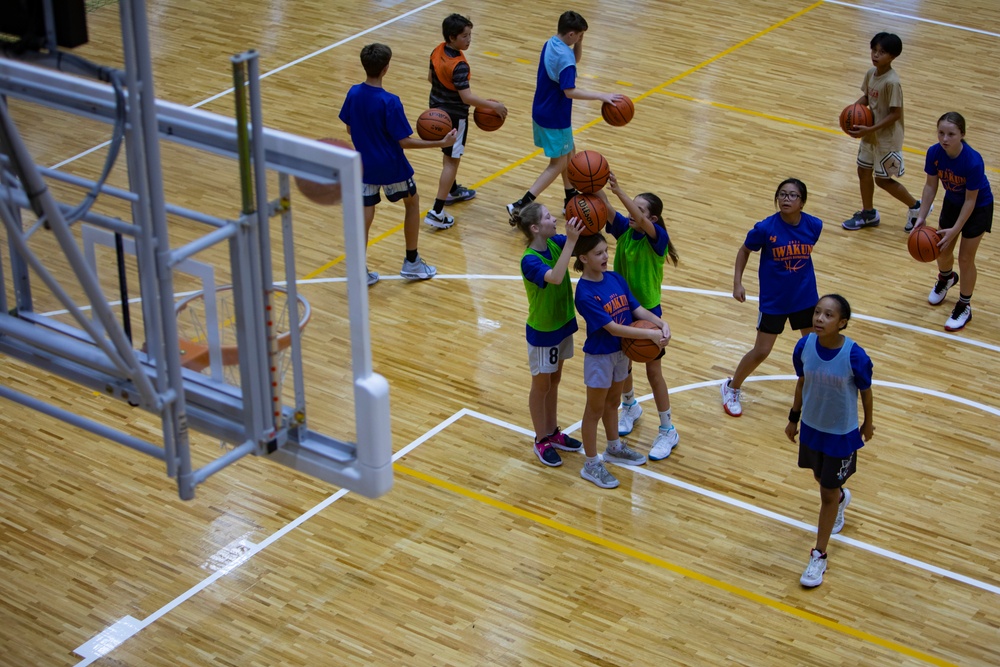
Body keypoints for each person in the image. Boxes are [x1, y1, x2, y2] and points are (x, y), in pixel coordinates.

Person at [338, 43, 457, 285]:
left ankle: (359, 270)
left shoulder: (353, 93)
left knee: (365, 215)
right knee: (412, 204)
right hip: (391, 165)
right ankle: (412, 262)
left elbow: (350, 128)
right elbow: (403, 141)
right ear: (386, 68)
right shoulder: (390, 101)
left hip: (364, 166)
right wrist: (441, 142)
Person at [785, 294, 874, 588]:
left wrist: (868, 423)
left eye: (828, 315)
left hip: (841, 434)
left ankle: (819, 556)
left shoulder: (855, 356)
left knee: (825, 492)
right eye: (817, 313)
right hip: (812, 427)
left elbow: (866, 391)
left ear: (842, 323)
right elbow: (802, 382)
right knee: (821, 480)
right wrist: (793, 417)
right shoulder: (804, 346)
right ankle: (840, 498)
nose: (820, 319)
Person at [505, 11, 624, 224]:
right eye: (578, 36)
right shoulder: (565, 58)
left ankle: (570, 198)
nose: (579, 39)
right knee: (558, 164)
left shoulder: (551, 43)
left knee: (570, 154)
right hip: (555, 117)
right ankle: (521, 204)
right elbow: (569, 91)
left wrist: (580, 41)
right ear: (571, 34)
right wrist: (601, 96)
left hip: (542, 109)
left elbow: (573, 59)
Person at [593, 174, 681, 460]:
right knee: (625, 366)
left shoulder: (658, 239)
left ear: (652, 219)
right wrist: (594, 186)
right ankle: (630, 405)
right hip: (621, 309)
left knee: (654, 372)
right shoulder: (625, 230)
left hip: (648, 313)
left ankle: (668, 428)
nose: (633, 214)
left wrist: (620, 192)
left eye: (639, 210)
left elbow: (637, 219)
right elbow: (604, 207)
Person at [573, 233, 670, 489]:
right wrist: (649, 334)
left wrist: (661, 323)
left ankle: (614, 447)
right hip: (600, 357)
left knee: (614, 401)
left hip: (621, 353)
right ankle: (591, 464)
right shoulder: (584, 293)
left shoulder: (615, 278)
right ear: (583, 258)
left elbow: (636, 310)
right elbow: (613, 328)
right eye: (598, 253)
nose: (605, 256)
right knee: (593, 410)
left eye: (606, 251)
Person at [721, 178, 822, 417]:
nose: (786, 199)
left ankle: (812, 393)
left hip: (805, 298)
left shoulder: (814, 225)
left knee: (813, 349)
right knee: (762, 351)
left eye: (792, 195)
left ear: (803, 202)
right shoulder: (765, 228)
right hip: (774, 300)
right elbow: (744, 250)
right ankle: (731, 387)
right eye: (782, 194)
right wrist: (737, 282)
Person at [515, 204, 586, 467]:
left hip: (563, 323)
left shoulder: (555, 242)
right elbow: (556, 277)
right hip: (543, 330)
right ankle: (540, 438)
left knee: (554, 380)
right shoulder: (530, 260)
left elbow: (580, 239)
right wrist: (570, 241)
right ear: (535, 228)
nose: (553, 219)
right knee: (541, 385)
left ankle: (553, 432)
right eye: (548, 217)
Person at [910, 112, 993, 332]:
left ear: (962, 135)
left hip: (978, 207)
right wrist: (921, 216)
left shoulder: (973, 161)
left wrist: (956, 229)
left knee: (966, 258)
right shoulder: (934, 152)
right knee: (942, 250)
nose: (945, 139)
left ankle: (965, 306)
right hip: (953, 203)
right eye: (941, 133)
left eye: (951, 134)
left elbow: (971, 199)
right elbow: (930, 186)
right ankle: (946, 278)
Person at [424, 14, 508, 230]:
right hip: (454, 117)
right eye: (465, 36)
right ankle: (437, 210)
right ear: (452, 38)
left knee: (448, 157)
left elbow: (430, 79)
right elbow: (467, 98)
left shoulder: (437, 50)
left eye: (470, 34)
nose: (469, 39)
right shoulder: (459, 65)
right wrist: (493, 106)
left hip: (436, 111)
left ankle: (452, 190)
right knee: (452, 160)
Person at [841, 33, 926, 232]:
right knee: (863, 170)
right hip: (870, 134)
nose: (876, 55)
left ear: (893, 56)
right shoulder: (871, 73)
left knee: (882, 180)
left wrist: (870, 128)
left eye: (882, 52)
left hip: (887, 139)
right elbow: (866, 98)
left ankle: (917, 207)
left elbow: (896, 114)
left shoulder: (892, 82)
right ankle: (868, 213)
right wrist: (851, 110)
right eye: (874, 50)